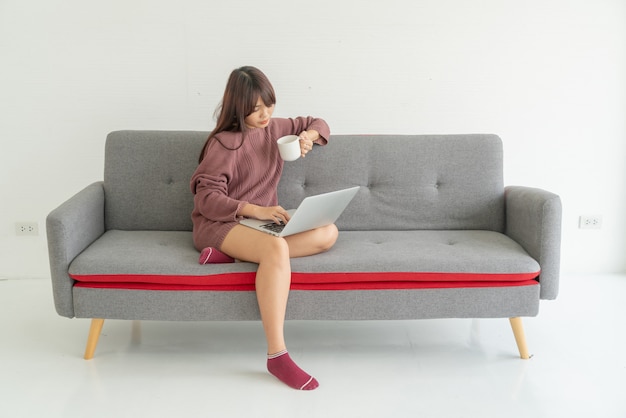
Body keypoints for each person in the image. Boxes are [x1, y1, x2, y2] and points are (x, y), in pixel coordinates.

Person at [190, 66, 337, 390]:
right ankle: (277, 355)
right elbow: (207, 201)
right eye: (255, 109)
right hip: (222, 223)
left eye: (268, 105)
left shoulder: (276, 127)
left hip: (261, 224)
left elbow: (319, 123)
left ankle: (230, 258)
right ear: (237, 108)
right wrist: (256, 210)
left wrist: (306, 137)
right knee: (275, 249)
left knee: (328, 232)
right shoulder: (224, 144)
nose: (265, 114)